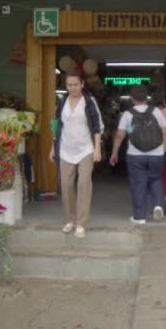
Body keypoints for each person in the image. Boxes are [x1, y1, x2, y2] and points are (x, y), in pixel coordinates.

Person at [50, 72, 104, 238]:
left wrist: (97, 149)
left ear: (82, 84)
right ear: (66, 87)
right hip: (66, 149)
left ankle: (81, 223)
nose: (72, 87)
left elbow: (97, 125)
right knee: (66, 185)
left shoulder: (89, 101)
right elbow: (56, 126)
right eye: (69, 85)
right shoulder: (62, 102)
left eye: (75, 84)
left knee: (83, 184)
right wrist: (52, 148)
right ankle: (70, 220)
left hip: (86, 149)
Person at [110, 85, 166, 224]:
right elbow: (165, 131)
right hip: (157, 153)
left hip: (135, 154)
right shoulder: (157, 111)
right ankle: (158, 205)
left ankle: (139, 217)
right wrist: (161, 146)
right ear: (147, 98)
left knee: (138, 184)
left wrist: (114, 152)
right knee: (156, 179)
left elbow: (121, 135)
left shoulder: (127, 114)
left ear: (132, 99)